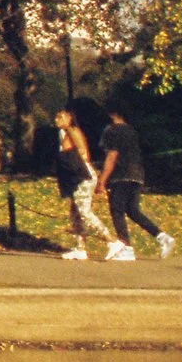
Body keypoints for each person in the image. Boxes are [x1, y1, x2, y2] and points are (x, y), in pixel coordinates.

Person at [94, 109, 173, 260]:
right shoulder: (132, 130)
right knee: (132, 210)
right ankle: (162, 237)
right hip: (137, 174)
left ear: (112, 113)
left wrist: (102, 180)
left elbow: (112, 156)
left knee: (117, 210)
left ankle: (126, 247)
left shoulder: (112, 130)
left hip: (121, 175)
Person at [53, 106, 116, 259]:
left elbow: (83, 153)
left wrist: (74, 166)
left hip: (83, 175)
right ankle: (80, 248)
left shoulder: (73, 131)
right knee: (75, 213)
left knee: (84, 211)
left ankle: (112, 241)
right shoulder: (64, 133)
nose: (57, 120)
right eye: (56, 117)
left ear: (69, 117)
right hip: (76, 176)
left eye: (60, 117)